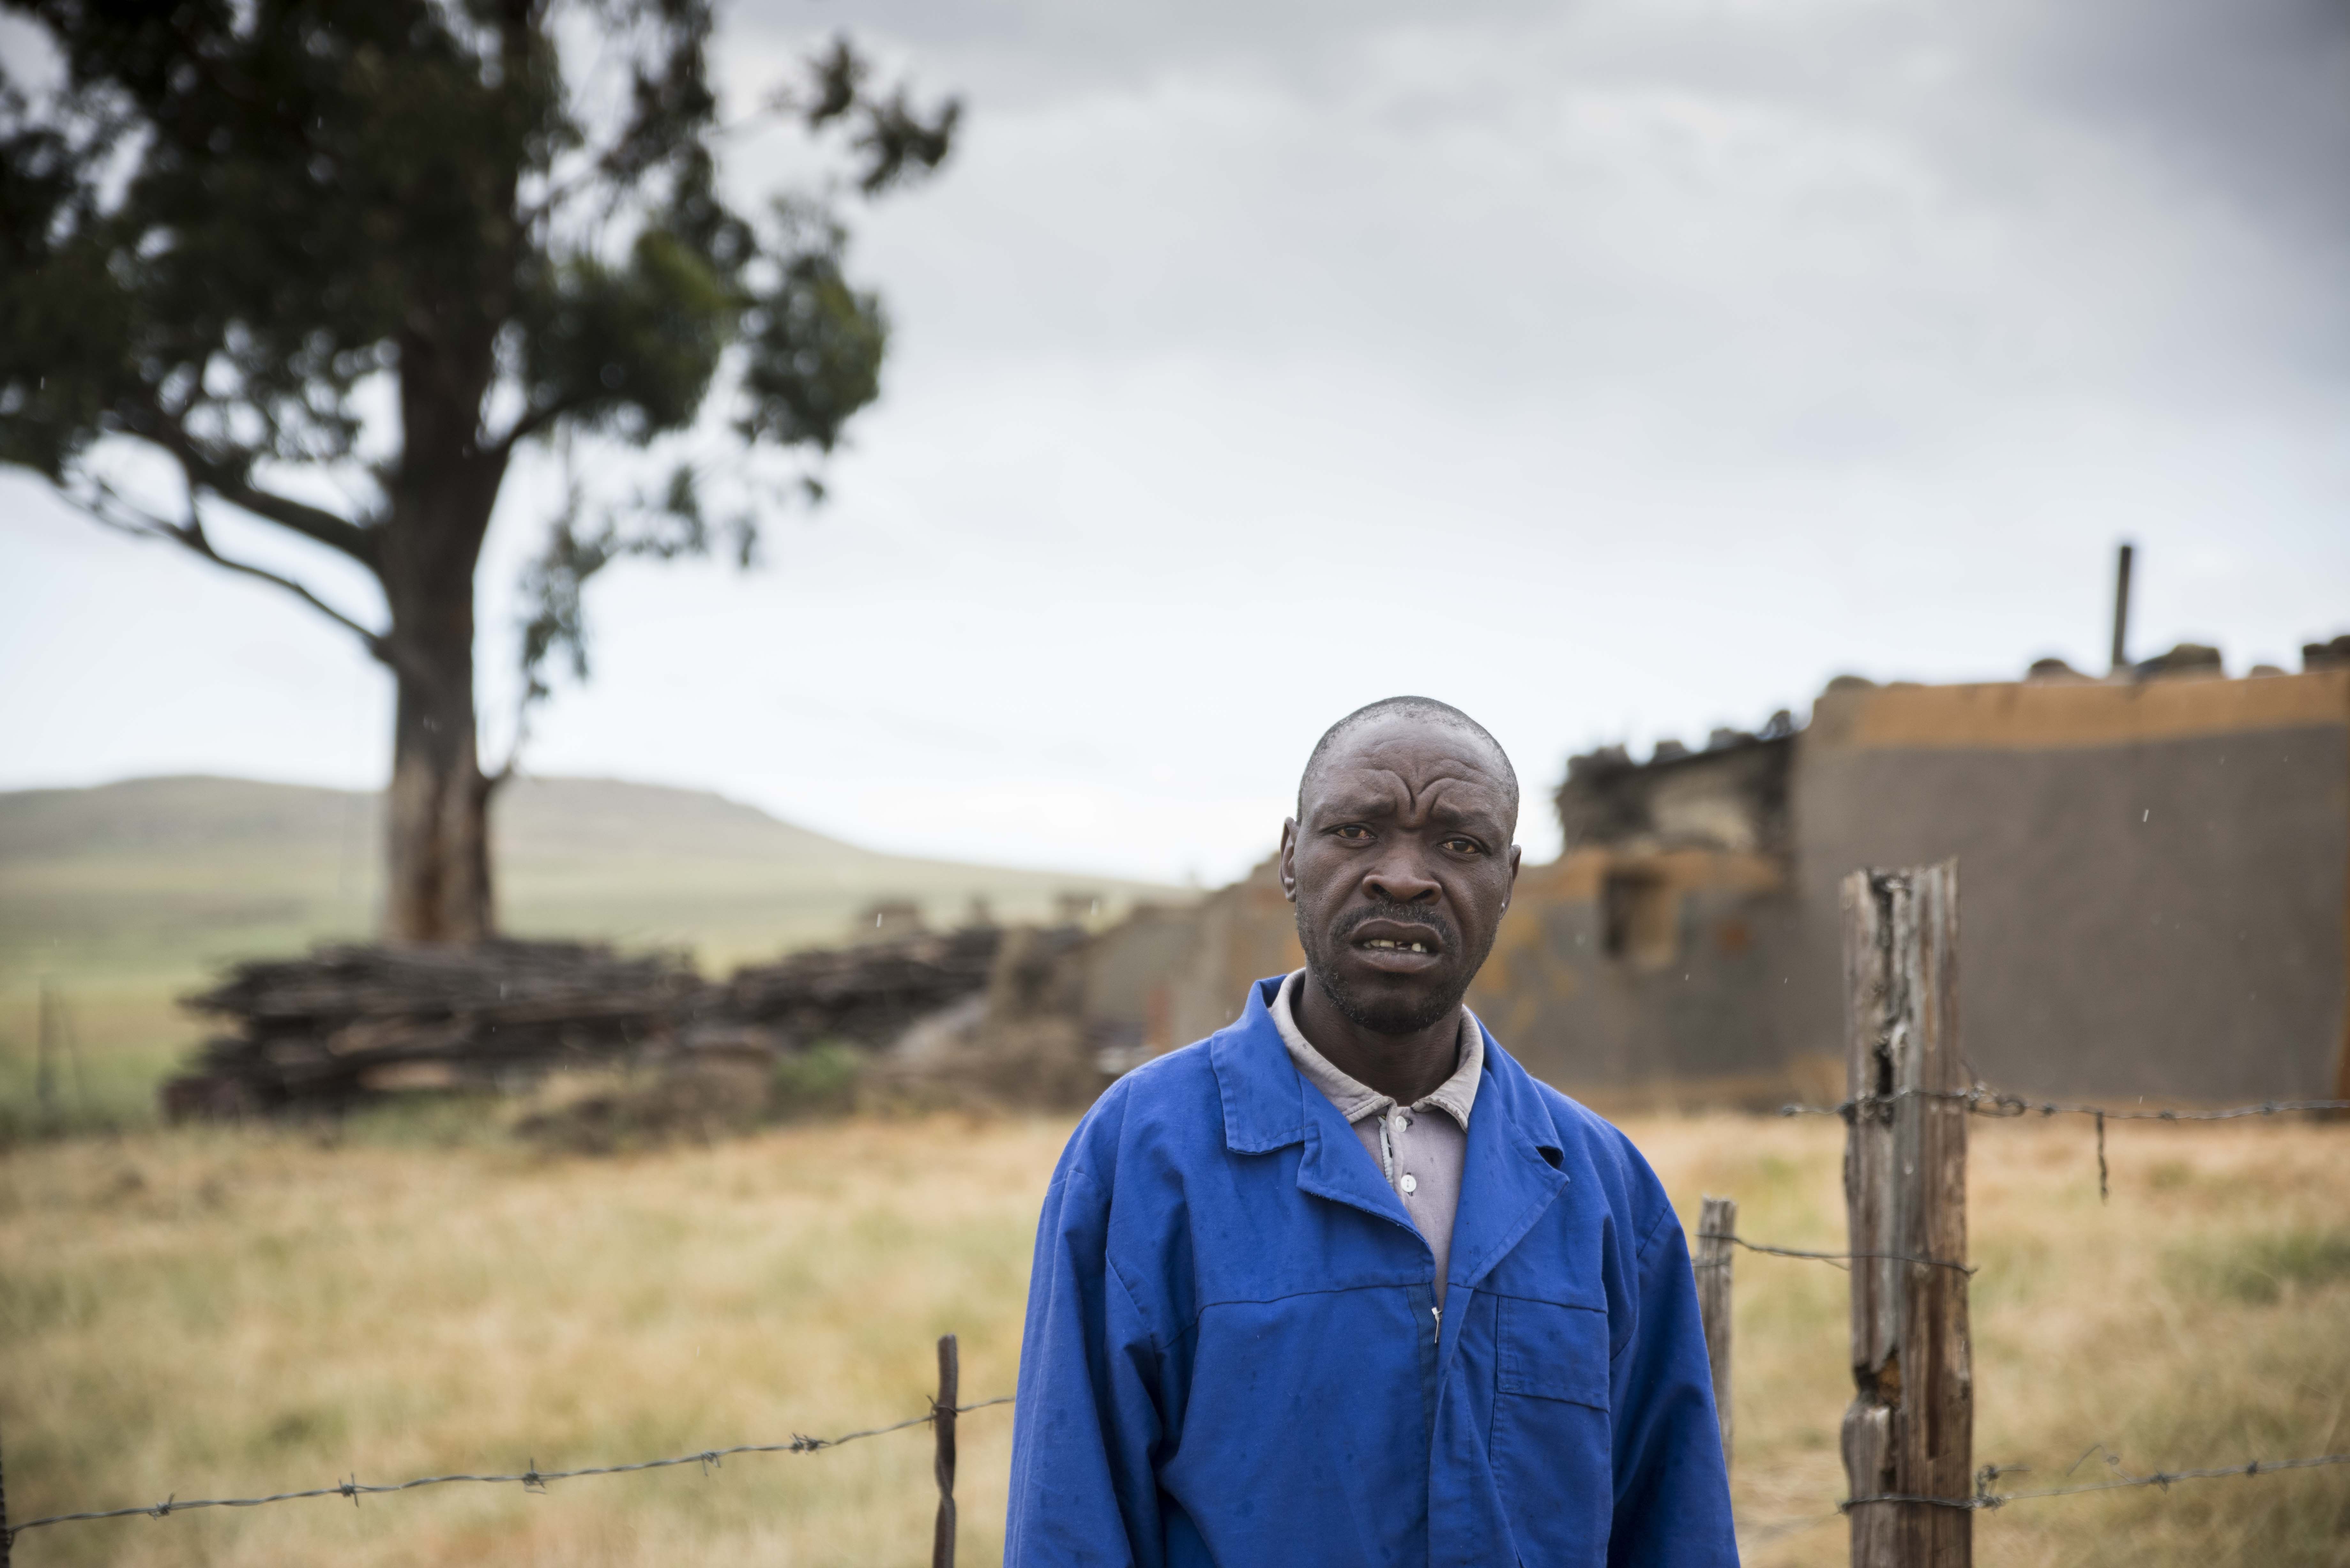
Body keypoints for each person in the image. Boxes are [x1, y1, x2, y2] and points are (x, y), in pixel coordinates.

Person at [1004, 697, 1738, 1567]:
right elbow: (1071, 1522)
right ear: (1290, 858)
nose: (1403, 877)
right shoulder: (1142, 1152)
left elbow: (1673, 1527)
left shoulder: (1603, 1187)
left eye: (1459, 846)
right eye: (1356, 833)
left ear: (1508, 881)